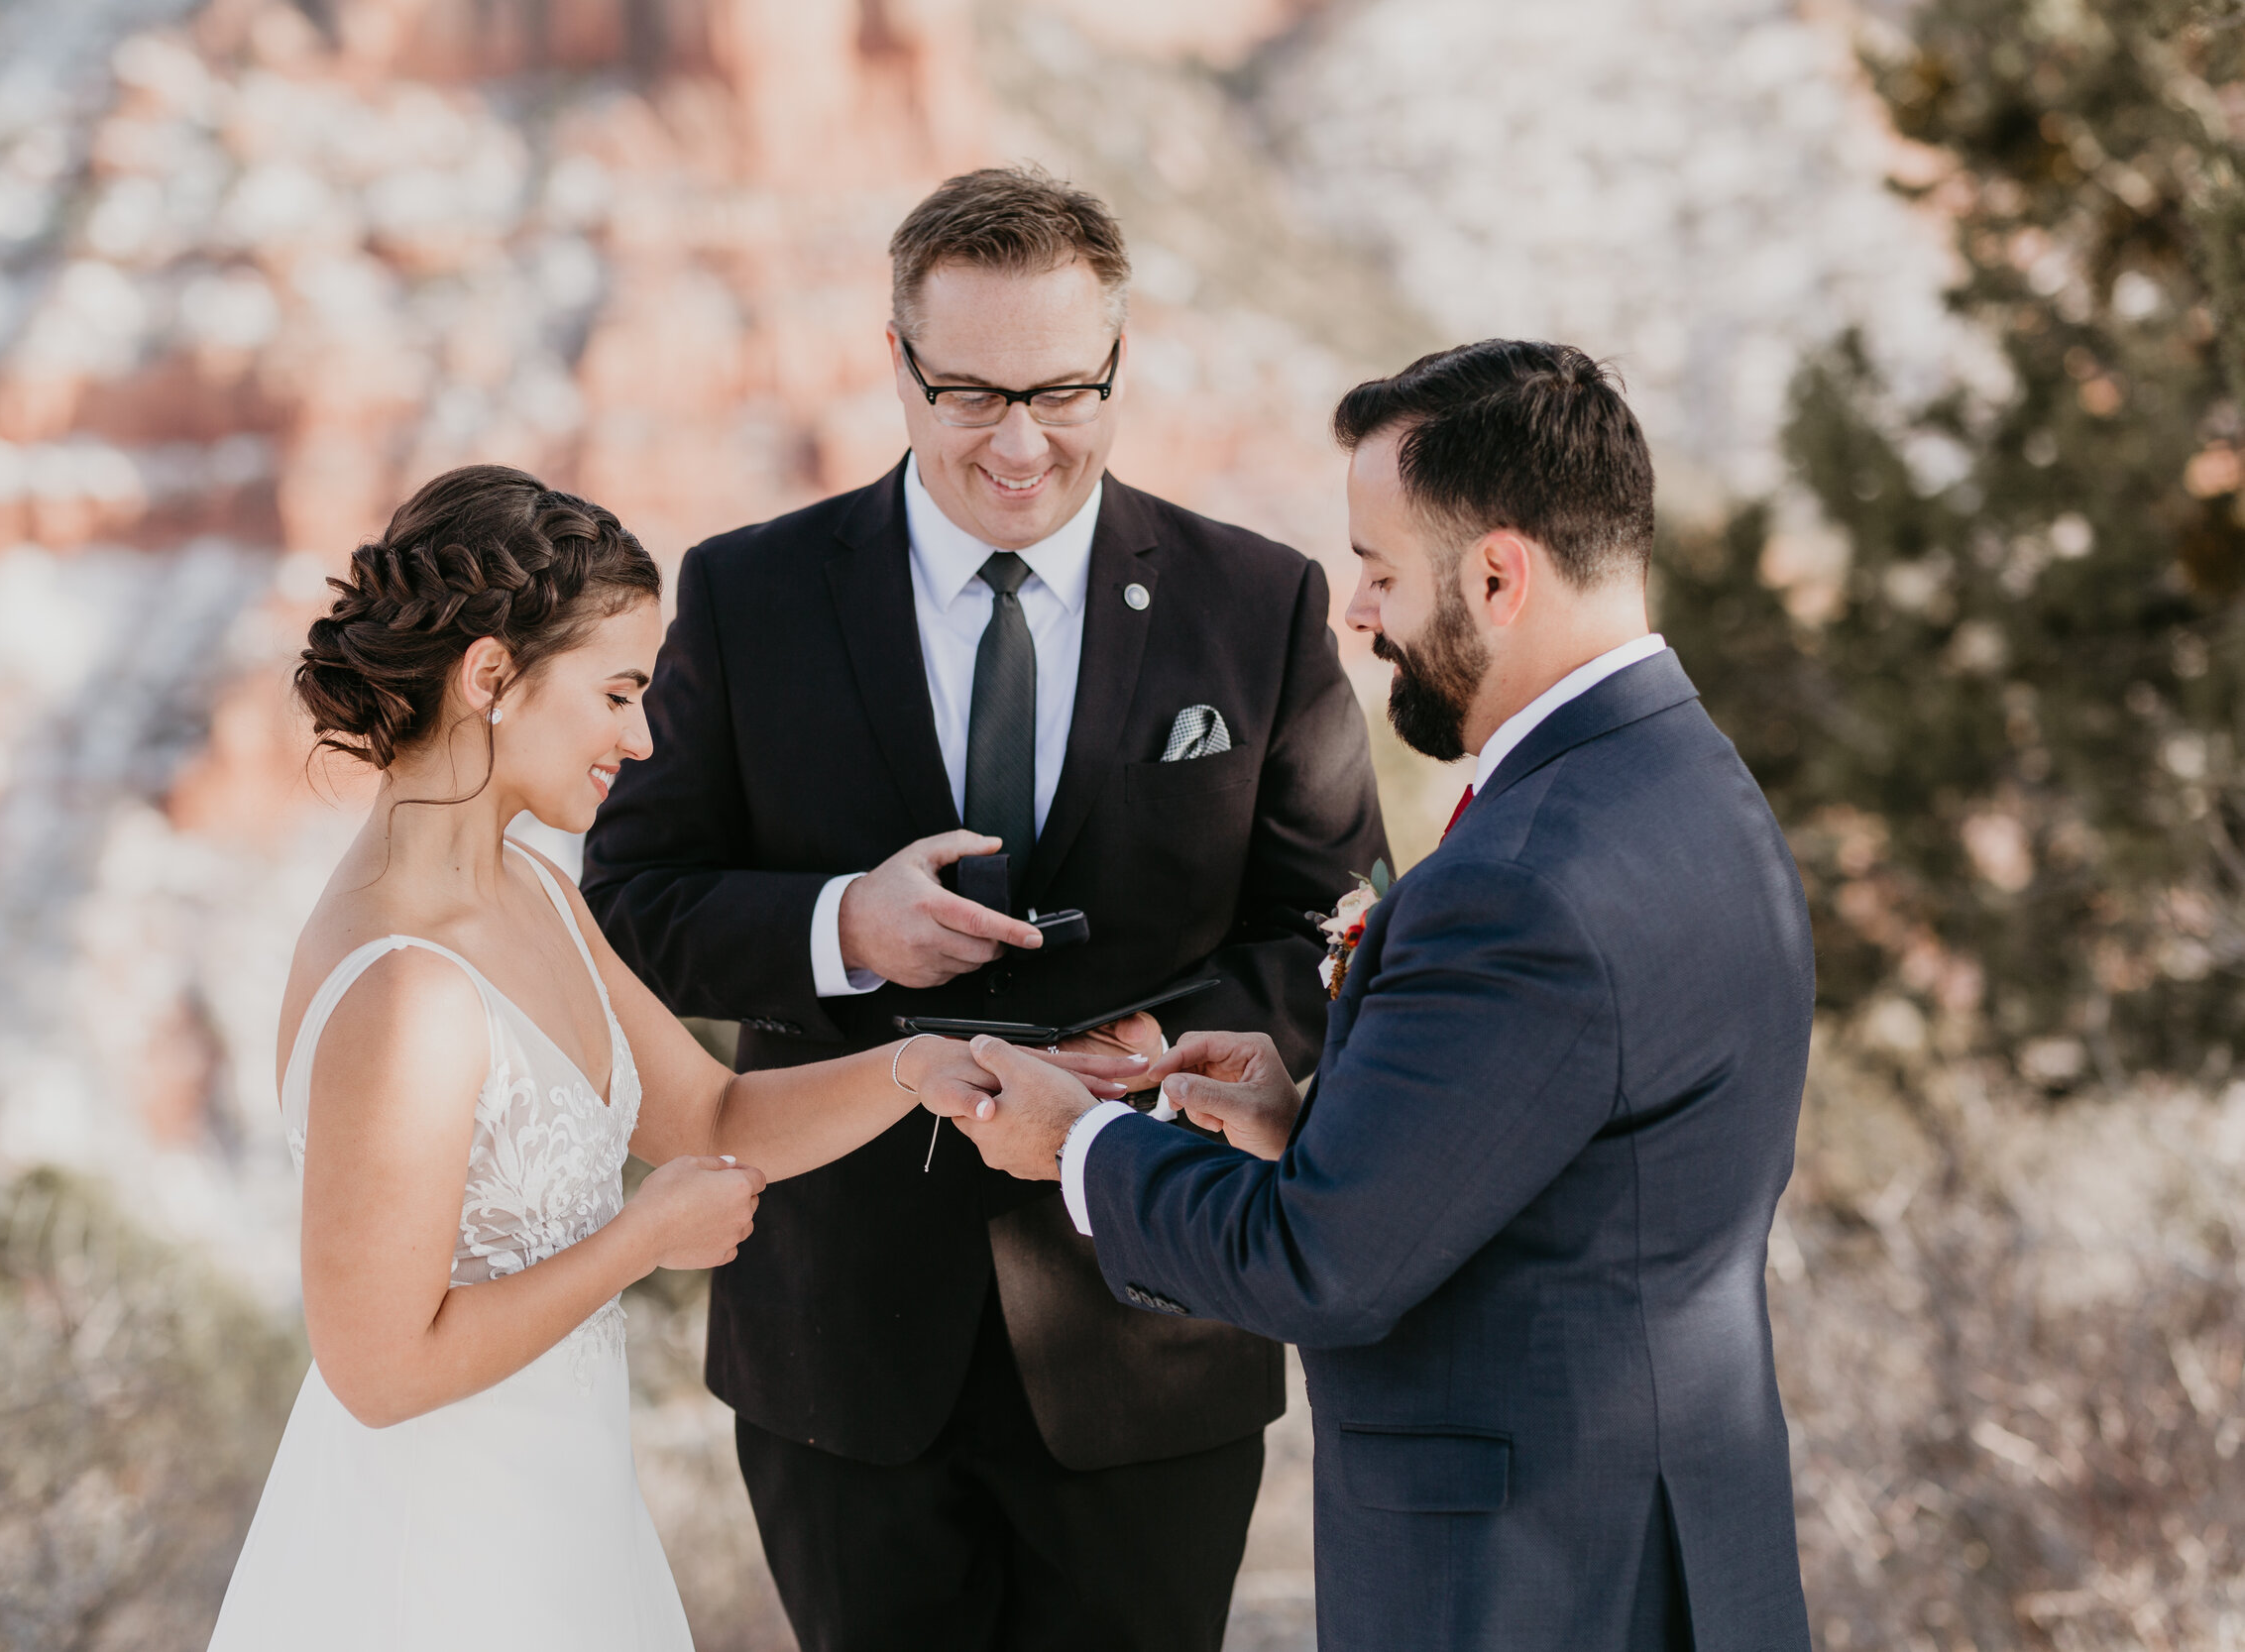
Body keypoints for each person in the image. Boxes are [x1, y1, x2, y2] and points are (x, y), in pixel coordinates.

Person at [582, 168, 1387, 1651]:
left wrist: (1169, 1036)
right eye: (968, 393)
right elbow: (630, 894)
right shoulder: (752, 595)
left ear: (1117, 368)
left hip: (1157, 1327)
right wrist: (841, 926)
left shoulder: (1252, 599)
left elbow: (1335, 921)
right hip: (842, 1347)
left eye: (1064, 390)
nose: (1021, 442)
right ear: (896, 365)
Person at [947, 341, 1816, 1651]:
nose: (1358, 611)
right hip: (1670, 1533)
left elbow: (1324, 1267)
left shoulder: (1528, 875)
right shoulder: (1692, 785)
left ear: (1498, 574)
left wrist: (1075, 1141)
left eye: (1380, 568)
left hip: (1529, 1579)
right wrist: (1318, 1124)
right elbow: (1573, 1150)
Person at [207, 466, 1053, 1648]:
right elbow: (379, 1368)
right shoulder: (403, 987)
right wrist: (643, 1241)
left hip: (568, 1518)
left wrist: (923, 1067)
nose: (641, 735)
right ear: (491, 675)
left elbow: (708, 1117)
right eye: (614, 692)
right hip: (440, 1560)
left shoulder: (538, 892)